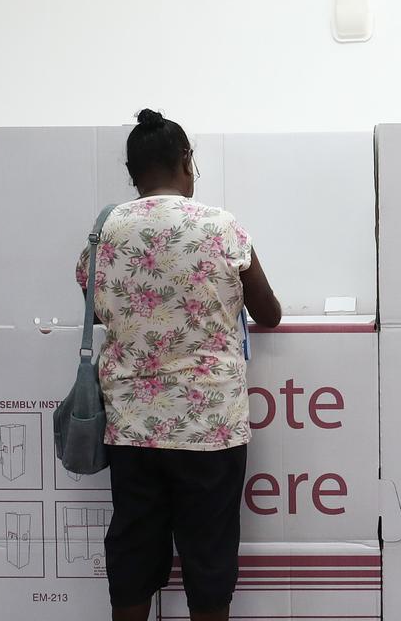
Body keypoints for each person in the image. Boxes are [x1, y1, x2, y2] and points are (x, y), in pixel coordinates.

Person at [76, 109, 282, 621]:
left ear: (132, 172)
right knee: (208, 557)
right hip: (209, 427)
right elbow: (269, 314)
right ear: (186, 162)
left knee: (132, 551)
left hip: (132, 427)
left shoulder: (105, 232)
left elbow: (94, 300)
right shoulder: (220, 226)